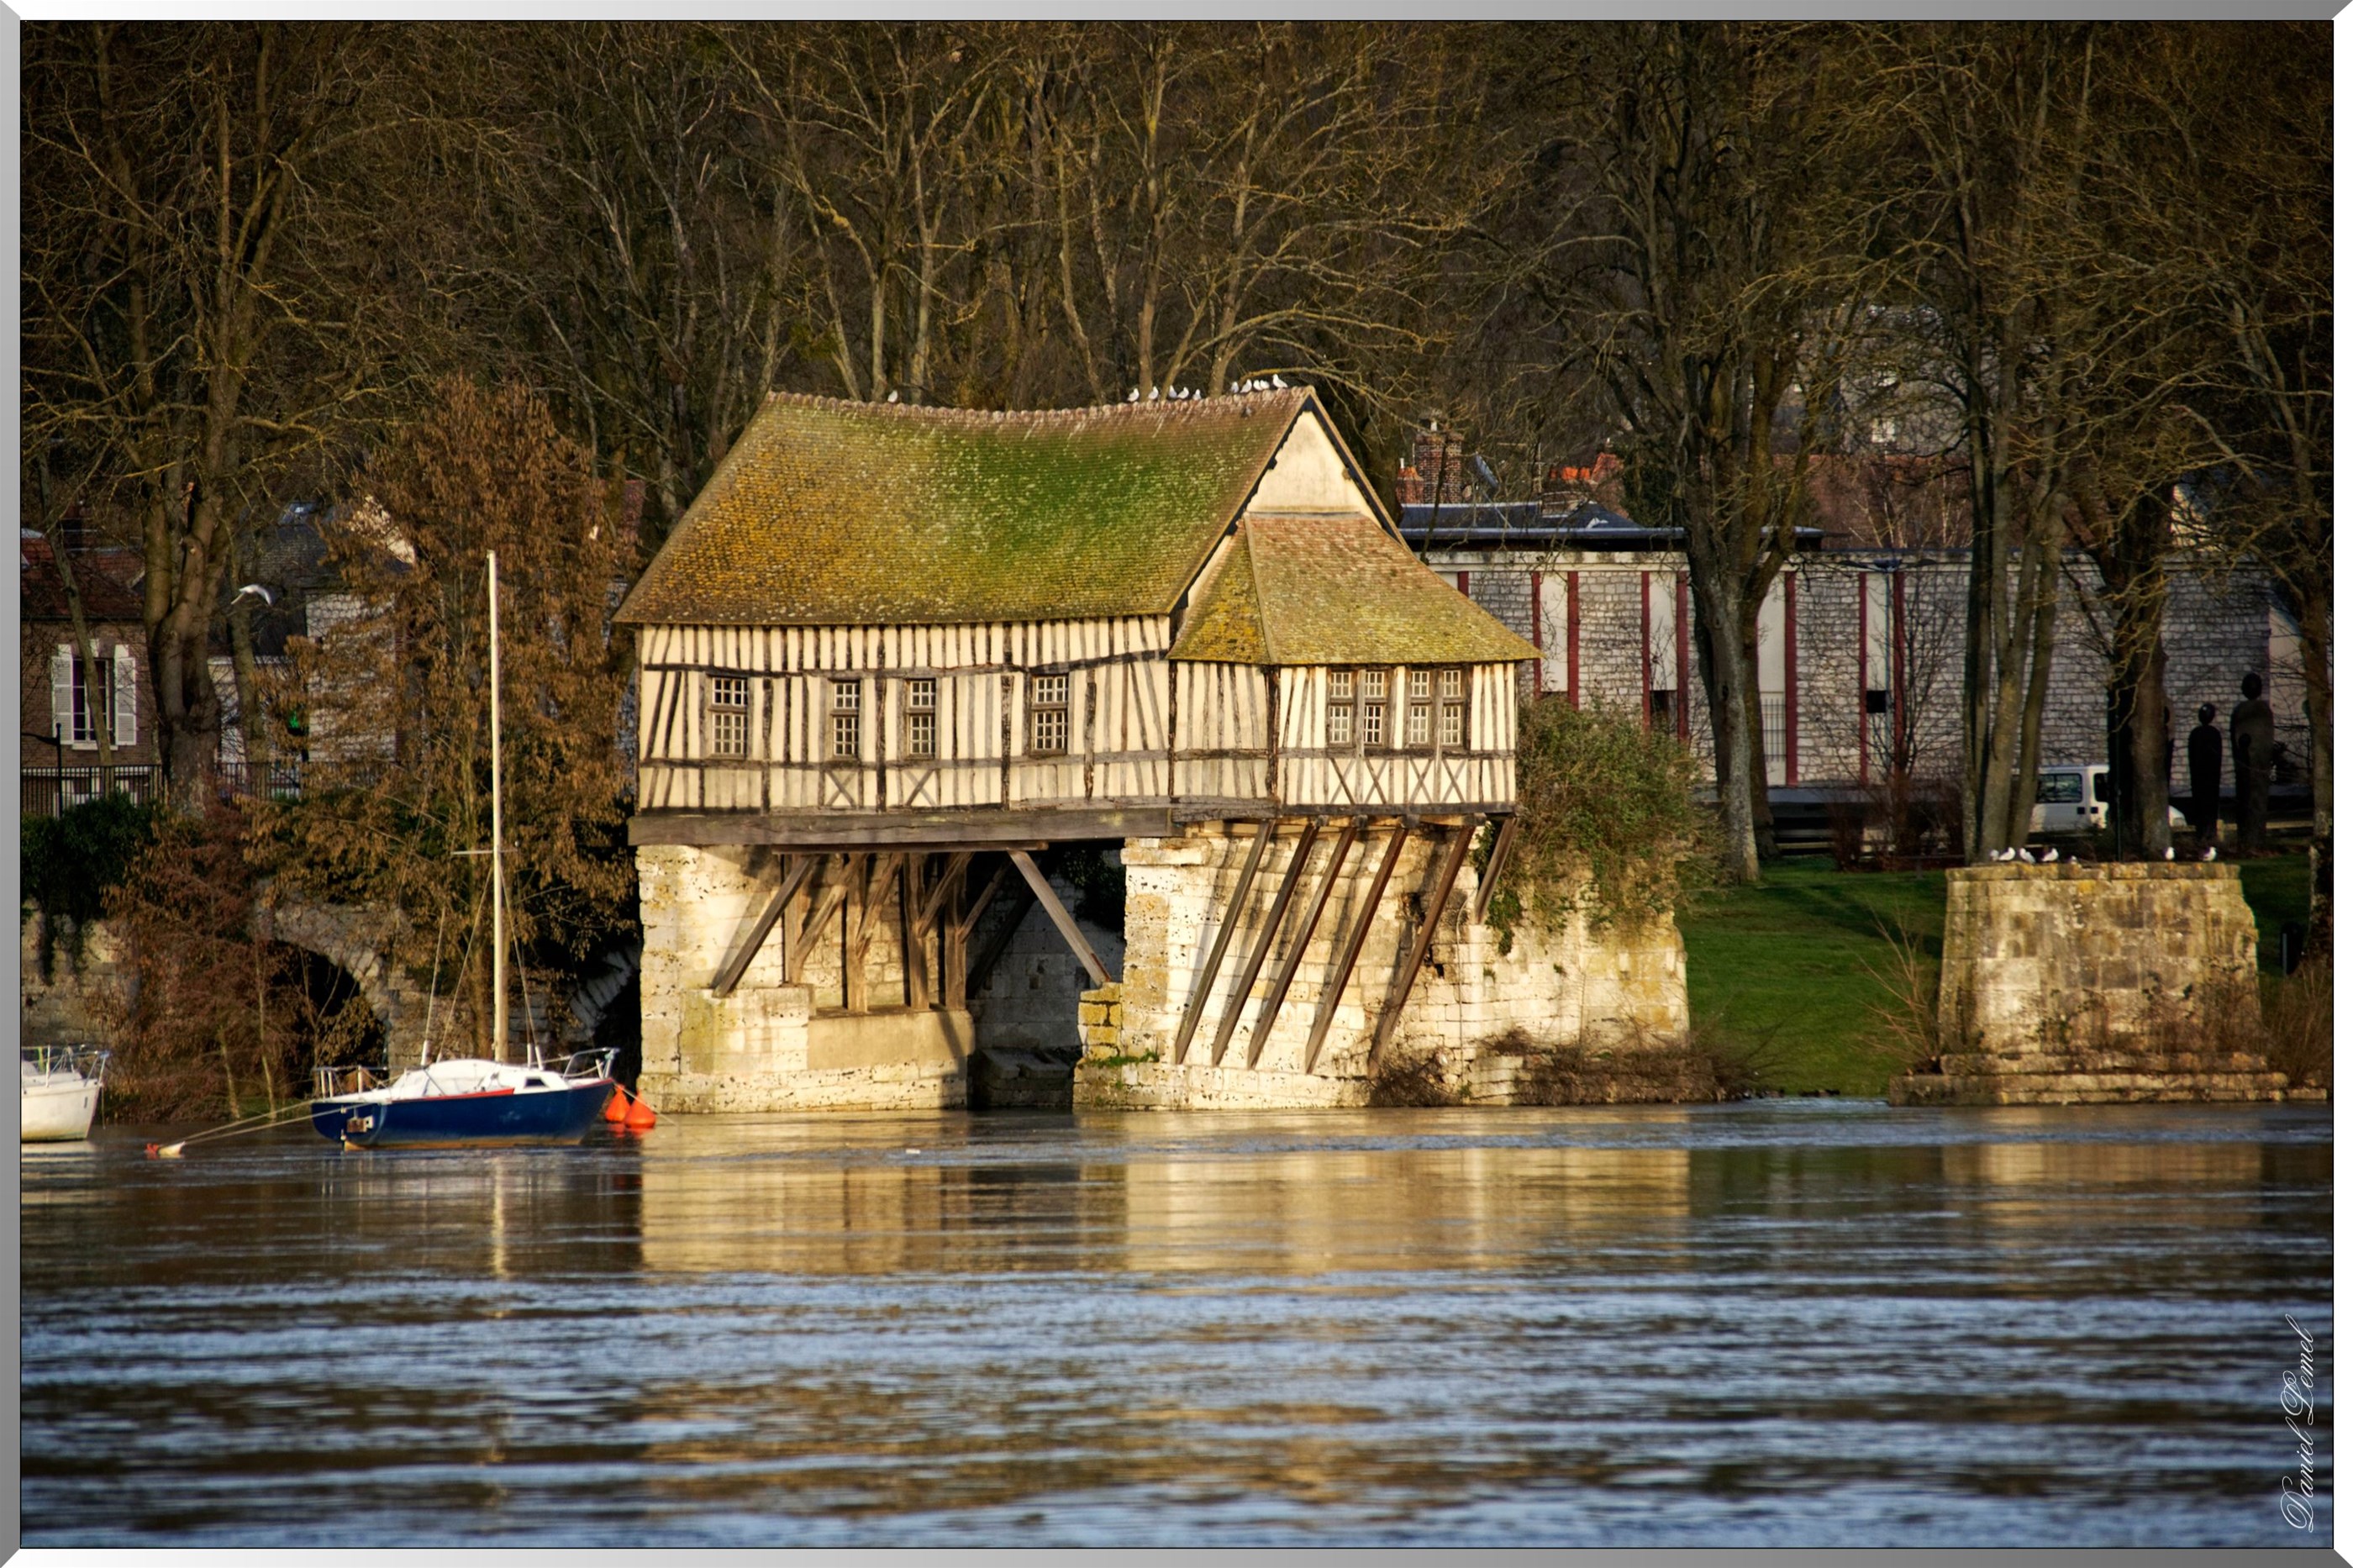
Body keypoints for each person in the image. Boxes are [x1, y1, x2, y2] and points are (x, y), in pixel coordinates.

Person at [2230, 673, 2274, 851]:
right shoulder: (2262, 711)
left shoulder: (2249, 711)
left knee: (2252, 800)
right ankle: (2250, 838)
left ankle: (2252, 838)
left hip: (2252, 765)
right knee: (2250, 800)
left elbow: (2239, 738)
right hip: (2251, 765)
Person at [2187, 702, 2224, 850]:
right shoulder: (2214, 734)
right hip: (2209, 779)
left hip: (2200, 778)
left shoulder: (2196, 734)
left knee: (2202, 809)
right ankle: (2207, 835)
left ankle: (2203, 835)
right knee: (2208, 808)